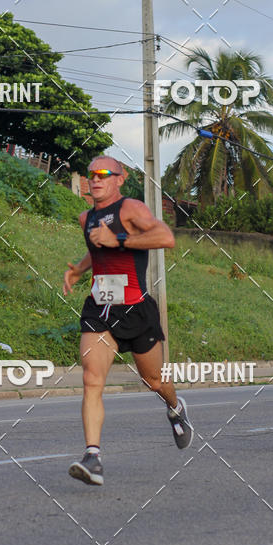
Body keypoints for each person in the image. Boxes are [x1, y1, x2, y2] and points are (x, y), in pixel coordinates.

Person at [63, 155, 193, 485]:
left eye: (104, 174)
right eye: (92, 174)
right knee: (92, 379)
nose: (96, 179)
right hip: (100, 307)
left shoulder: (131, 208)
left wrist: (119, 239)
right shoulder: (86, 217)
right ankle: (93, 457)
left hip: (136, 308)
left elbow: (165, 238)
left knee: (154, 381)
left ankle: (176, 408)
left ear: (119, 179)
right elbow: (98, 250)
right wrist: (79, 270)